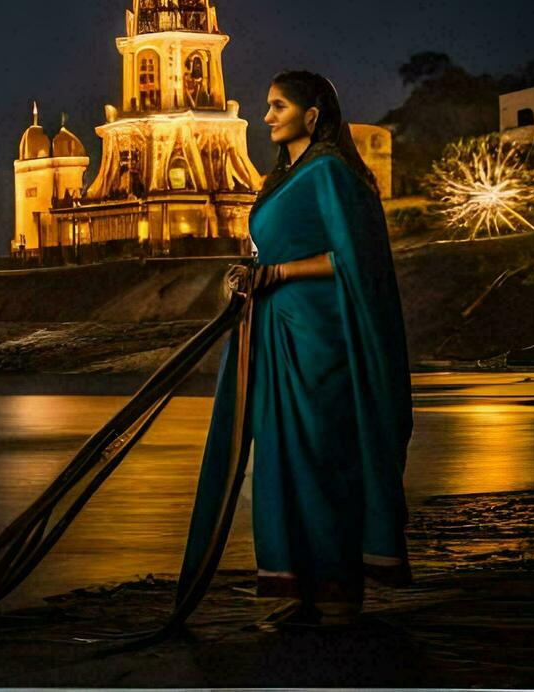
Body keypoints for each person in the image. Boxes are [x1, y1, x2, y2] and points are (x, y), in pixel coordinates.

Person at [177, 70, 414, 629]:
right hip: (276, 335)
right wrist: (250, 273)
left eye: (278, 105)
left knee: (321, 456)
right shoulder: (281, 178)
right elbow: (271, 248)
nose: (266, 116)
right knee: (281, 459)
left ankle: (338, 589)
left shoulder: (331, 172)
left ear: (313, 115)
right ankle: (296, 586)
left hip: (321, 342)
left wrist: (279, 271)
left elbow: (356, 258)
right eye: (266, 105)